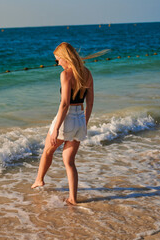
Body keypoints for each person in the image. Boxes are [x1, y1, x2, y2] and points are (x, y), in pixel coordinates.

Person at [31, 42, 94, 206]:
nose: (57, 62)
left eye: (58, 59)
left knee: (47, 151)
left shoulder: (66, 75)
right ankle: (73, 198)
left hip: (66, 119)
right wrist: (84, 122)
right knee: (69, 162)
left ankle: (39, 180)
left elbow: (64, 104)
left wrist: (56, 129)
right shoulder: (87, 73)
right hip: (80, 119)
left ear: (65, 58)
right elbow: (90, 103)